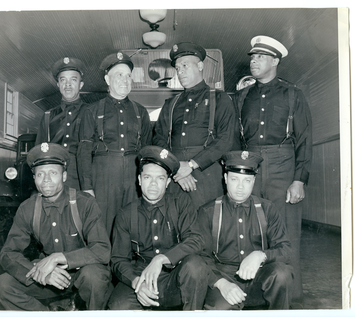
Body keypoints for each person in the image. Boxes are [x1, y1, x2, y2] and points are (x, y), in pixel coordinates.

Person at [233, 35, 312, 307]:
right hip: (250, 166)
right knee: (250, 226)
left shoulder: (293, 94)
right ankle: (252, 291)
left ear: (275, 61)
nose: (253, 61)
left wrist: (299, 180)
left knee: (286, 231)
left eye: (260, 57)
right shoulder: (242, 95)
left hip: (283, 164)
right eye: (252, 57)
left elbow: (304, 139)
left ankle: (289, 293)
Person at [0, 143, 111, 311]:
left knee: (94, 277)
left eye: (53, 173)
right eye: (40, 174)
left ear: (64, 176)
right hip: (49, 277)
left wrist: (57, 258)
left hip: (82, 274)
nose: (46, 179)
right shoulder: (28, 208)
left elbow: (102, 250)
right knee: (2, 285)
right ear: (34, 178)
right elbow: (7, 254)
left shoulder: (85, 203)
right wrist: (37, 271)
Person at [108, 146, 208, 310]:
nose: (153, 184)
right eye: (147, 177)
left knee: (196, 266)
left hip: (175, 275)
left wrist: (161, 259)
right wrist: (136, 282)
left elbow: (196, 240)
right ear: (139, 180)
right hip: (141, 275)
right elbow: (118, 259)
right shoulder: (125, 214)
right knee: (118, 307)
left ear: (168, 182)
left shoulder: (180, 203)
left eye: (160, 178)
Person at [198, 151, 293, 310]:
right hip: (224, 279)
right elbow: (200, 256)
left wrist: (260, 255)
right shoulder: (208, 211)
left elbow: (286, 249)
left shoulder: (267, 208)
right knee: (220, 309)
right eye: (234, 179)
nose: (240, 187)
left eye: (247, 180)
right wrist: (221, 283)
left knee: (282, 274)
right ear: (226, 179)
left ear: (254, 181)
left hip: (259, 278)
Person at [153, 42, 240, 210]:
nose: (180, 71)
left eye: (185, 65)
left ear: (200, 66)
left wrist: (191, 165)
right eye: (177, 68)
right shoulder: (171, 104)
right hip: (175, 174)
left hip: (206, 173)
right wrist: (176, 168)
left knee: (206, 227)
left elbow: (226, 140)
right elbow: (159, 139)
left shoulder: (221, 99)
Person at [77, 52, 152, 237]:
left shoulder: (141, 112)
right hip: (103, 176)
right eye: (119, 75)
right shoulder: (91, 111)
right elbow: (84, 151)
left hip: (134, 176)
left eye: (128, 76)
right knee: (104, 225)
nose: (125, 80)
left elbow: (148, 150)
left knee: (134, 223)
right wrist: (87, 187)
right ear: (107, 79)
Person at [35, 57, 90, 192]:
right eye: (63, 80)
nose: (68, 84)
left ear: (81, 85)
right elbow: (39, 154)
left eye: (73, 80)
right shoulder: (48, 116)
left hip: (83, 179)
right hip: (54, 178)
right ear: (58, 85)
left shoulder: (92, 113)